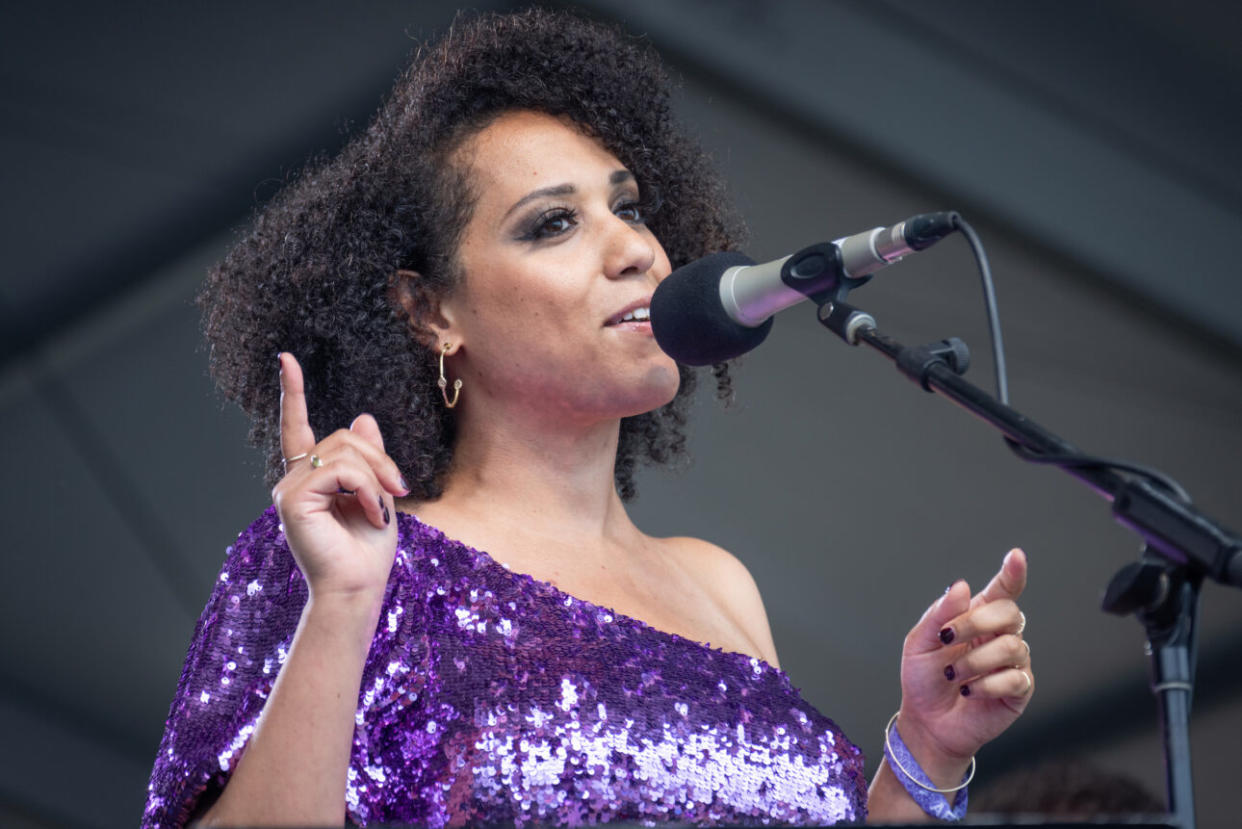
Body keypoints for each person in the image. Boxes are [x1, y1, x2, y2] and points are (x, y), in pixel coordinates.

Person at [143, 9, 1034, 827]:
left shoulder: (718, 587)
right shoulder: (346, 554)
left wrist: (927, 749)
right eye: (555, 223)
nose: (635, 249)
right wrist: (339, 602)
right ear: (429, 311)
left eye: (629, 207)